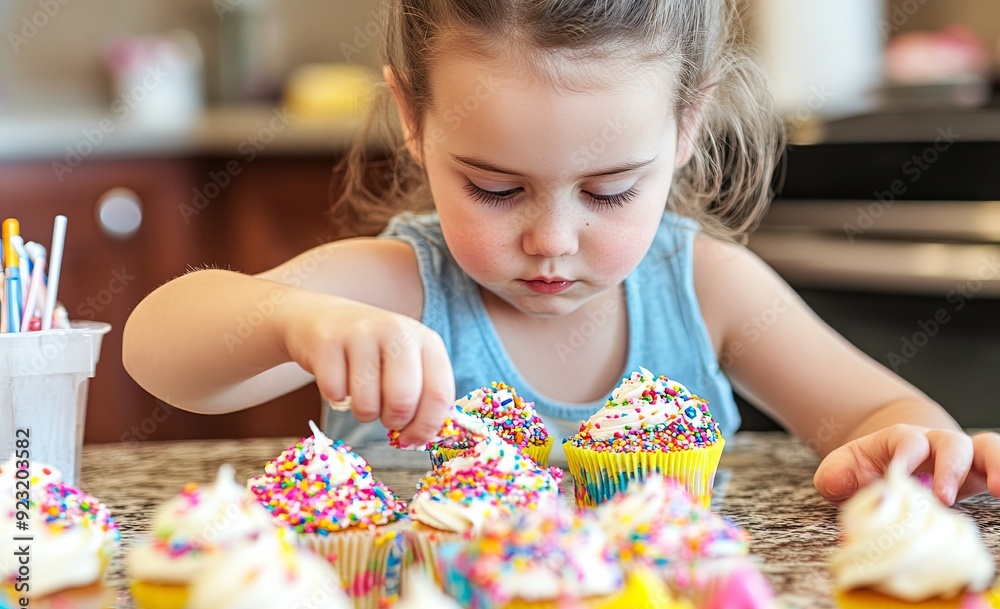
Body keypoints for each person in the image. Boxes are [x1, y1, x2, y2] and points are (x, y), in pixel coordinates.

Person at [123, 0, 999, 504]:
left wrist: (905, 453)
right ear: (414, 121)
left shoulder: (709, 288)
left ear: (689, 122)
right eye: (496, 189)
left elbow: (883, 413)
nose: (552, 239)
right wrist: (293, 320)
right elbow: (159, 349)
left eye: (611, 190)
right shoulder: (396, 287)